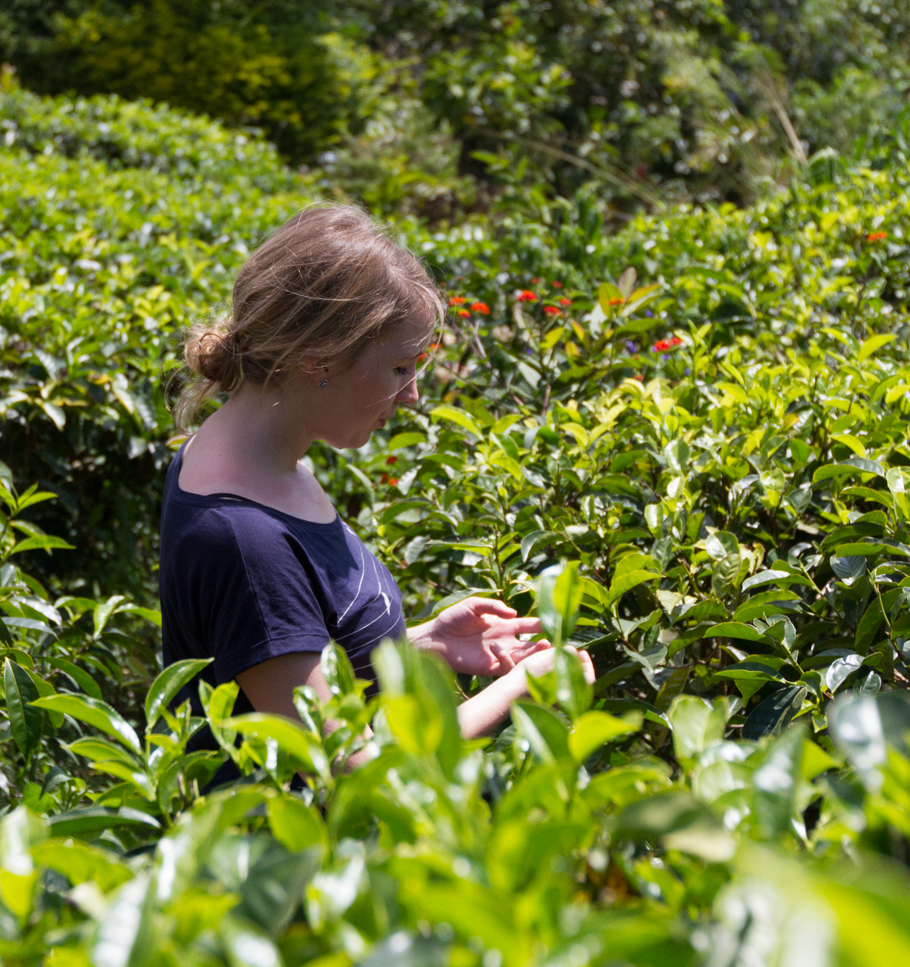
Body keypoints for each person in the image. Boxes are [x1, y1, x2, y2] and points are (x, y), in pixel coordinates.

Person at [159, 204, 592, 773]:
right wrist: (520, 692)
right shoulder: (246, 540)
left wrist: (421, 645)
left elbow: (286, 654)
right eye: (398, 369)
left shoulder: (255, 460)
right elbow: (348, 767)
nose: (412, 395)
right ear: (320, 360)